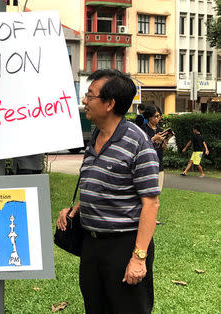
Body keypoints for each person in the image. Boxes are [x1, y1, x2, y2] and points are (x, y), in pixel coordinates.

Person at [57, 69, 160, 314]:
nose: (84, 101)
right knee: (95, 308)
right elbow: (100, 185)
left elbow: (151, 203)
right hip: (92, 246)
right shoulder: (96, 137)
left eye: (90, 96)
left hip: (124, 246)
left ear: (109, 104)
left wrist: (138, 257)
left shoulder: (138, 143)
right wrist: (77, 209)